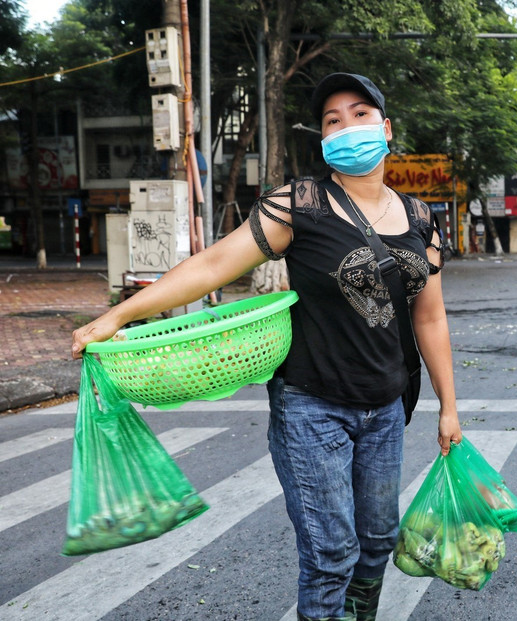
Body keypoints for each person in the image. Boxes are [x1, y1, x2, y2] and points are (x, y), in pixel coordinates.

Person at [71, 72, 462, 621]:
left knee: (377, 542)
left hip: (385, 408)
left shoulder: (421, 219)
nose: (347, 127)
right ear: (323, 140)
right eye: (332, 120)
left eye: (359, 114)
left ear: (385, 127)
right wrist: (118, 314)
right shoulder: (300, 204)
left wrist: (449, 406)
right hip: (312, 406)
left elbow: (430, 316)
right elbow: (211, 265)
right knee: (331, 554)